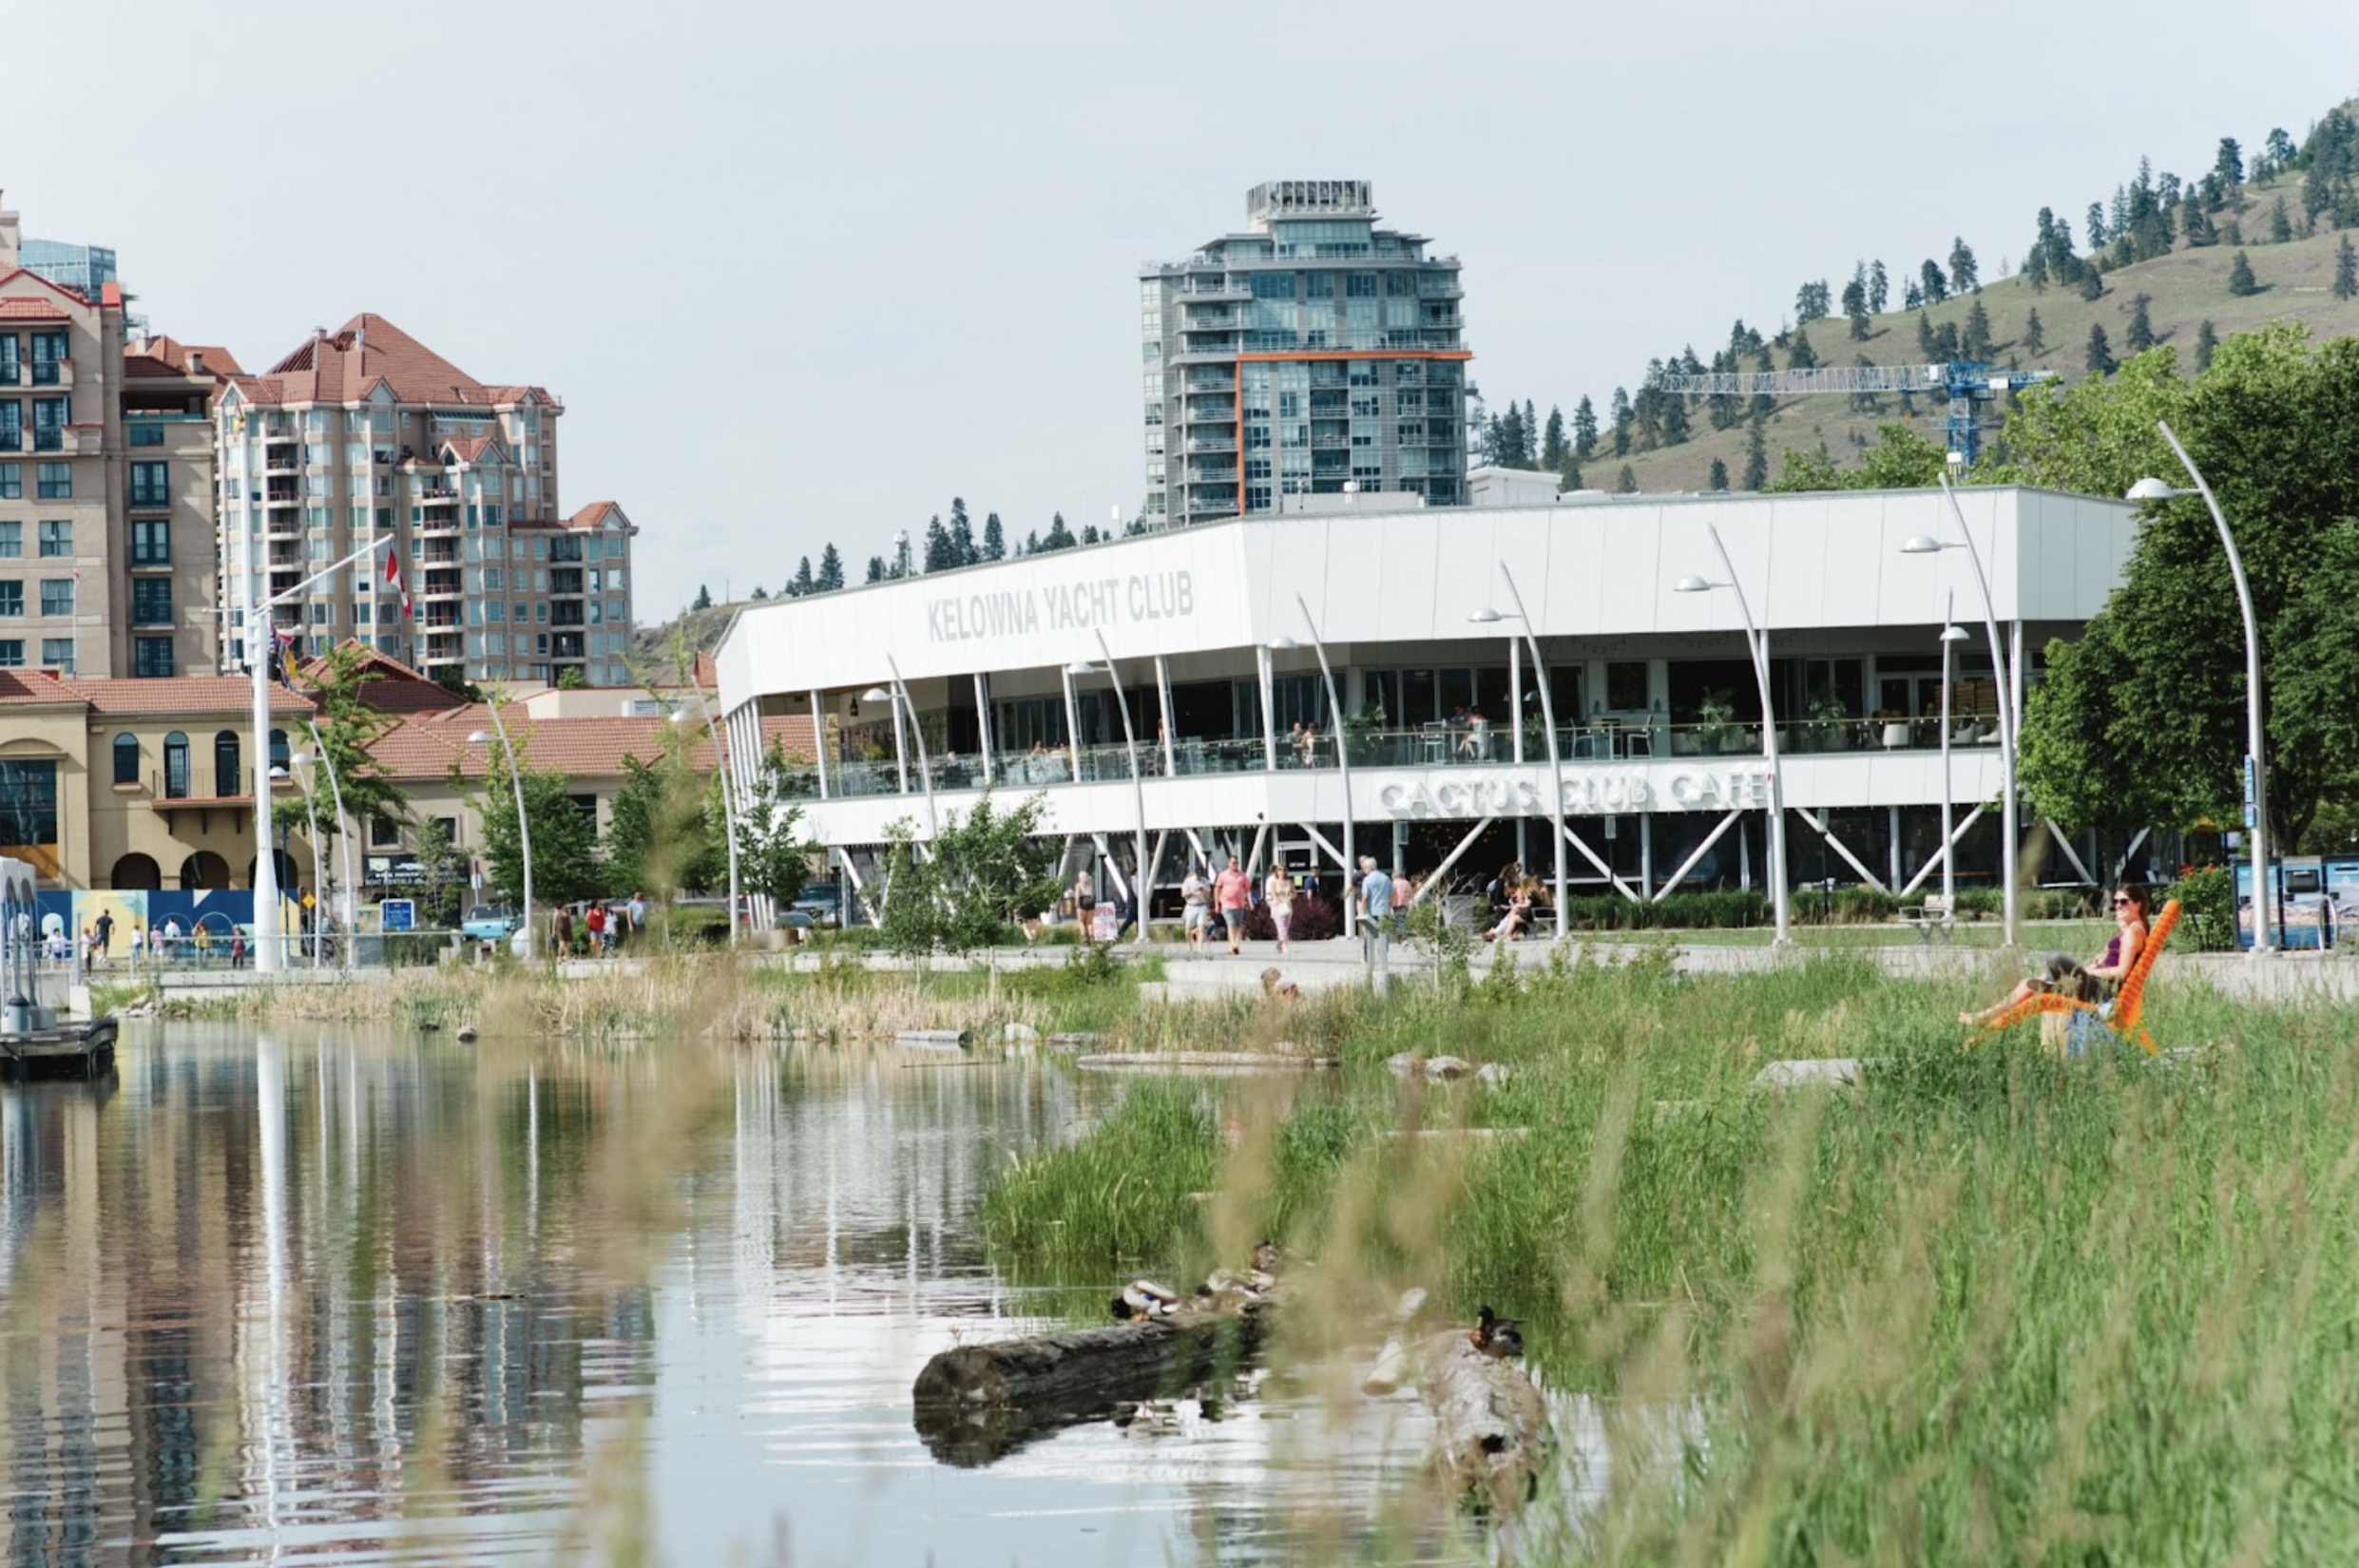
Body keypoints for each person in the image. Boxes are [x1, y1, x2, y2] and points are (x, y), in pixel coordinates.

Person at [1962, 884, 2153, 1025]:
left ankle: (1985, 1017)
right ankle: (1985, 1017)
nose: (2118, 906)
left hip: (2102, 992)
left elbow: (2121, 972)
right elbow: (2111, 959)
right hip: (2096, 986)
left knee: (2055, 959)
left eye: (2124, 902)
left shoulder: (2134, 932)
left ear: (2138, 904)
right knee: (2029, 984)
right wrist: (2100, 959)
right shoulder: (2129, 931)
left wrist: (2088, 971)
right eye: (2116, 902)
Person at [1356, 856, 1395, 968]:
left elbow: (1365, 897)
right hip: (1384, 911)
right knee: (1384, 936)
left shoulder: (1367, 880)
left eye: (1365, 868)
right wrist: (1390, 906)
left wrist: (1362, 912)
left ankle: (1368, 959)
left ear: (1370, 867)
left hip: (1372, 912)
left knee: (1369, 937)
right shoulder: (1386, 878)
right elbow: (1392, 895)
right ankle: (1382, 958)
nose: (1364, 870)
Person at [1215, 854, 1253, 956]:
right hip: (1226, 903)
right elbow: (1217, 889)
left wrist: (1250, 902)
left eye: (1236, 863)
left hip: (1239, 904)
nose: (1235, 865)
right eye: (1233, 863)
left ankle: (1233, 947)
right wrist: (1217, 904)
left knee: (1238, 926)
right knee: (1230, 924)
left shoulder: (1242, 875)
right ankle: (1234, 944)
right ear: (1229, 863)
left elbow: (1247, 889)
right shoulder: (1223, 875)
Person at [1265, 862, 1296, 953]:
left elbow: (1295, 893)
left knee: (1286, 926)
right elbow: (1273, 894)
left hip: (1287, 906)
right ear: (1276, 871)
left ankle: (1280, 942)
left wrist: (1290, 897)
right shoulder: (1273, 882)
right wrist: (1279, 901)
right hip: (1277, 906)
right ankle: (1285, 945)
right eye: (1280, 869)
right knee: (1281, 926)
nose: (1282, 871)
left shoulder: (1289, 882)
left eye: (1284, 869)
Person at [1181, 862, 1211, 951]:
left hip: (1201, 906)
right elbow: (1183, 894)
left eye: (1200, 873)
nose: (1199, 875)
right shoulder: (1188, 881)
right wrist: (1192, 892)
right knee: (1188, 929)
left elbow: (1208, 896)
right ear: (1195, 873)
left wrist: (1203, 889)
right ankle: (1190, 947)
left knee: (1201, 927)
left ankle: (1200, 949)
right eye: (1197, 873)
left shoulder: (1205, 881)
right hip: (1191, 906)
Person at [1072, 871, 1097, 938]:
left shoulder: (1079, 885)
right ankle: (1091, 937)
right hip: (1090, 901)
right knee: (1090, 922)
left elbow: (1077, 894)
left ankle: (1084, 937)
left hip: (1082, 901)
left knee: (1081, 921)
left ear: (1080, 878)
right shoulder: (1090, 884)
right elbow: (1093, 894)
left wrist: (1076, 902)